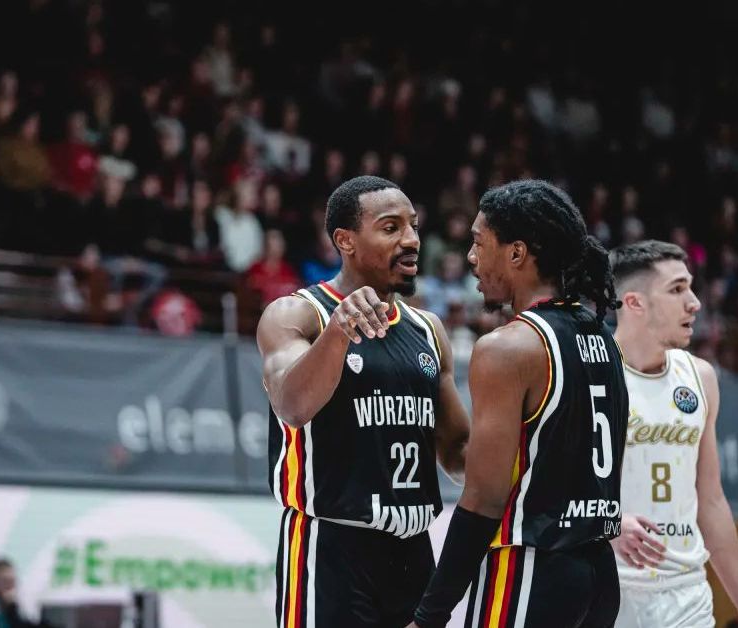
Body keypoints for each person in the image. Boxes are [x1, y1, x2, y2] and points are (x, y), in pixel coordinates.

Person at [409, 179, 628, 628]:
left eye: (478, 242)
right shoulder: (604, 338)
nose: (471, 257)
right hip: (599, 577)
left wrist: (429, 615)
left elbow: (483, 500)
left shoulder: (508, 349)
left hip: (531, 569)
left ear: (516, 253)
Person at [257, 175, 471, 627]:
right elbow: (292, 407)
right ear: (345, 241)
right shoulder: (297, 314)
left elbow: (456, 453)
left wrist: (530, 450)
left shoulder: (428, 329)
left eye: (413, 226)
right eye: (391, 227)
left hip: (414, 551)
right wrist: (338, 333)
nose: (411, 240)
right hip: (332, 547)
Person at [608, 240, 738, 628]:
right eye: (677, 289)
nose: (694, 303)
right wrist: (608, 523)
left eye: (691, 287)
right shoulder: (590, 374)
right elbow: (551, 484)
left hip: (687, 595)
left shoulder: (700, 377)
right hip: (609, 588)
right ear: (634, 303)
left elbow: (710, 500)